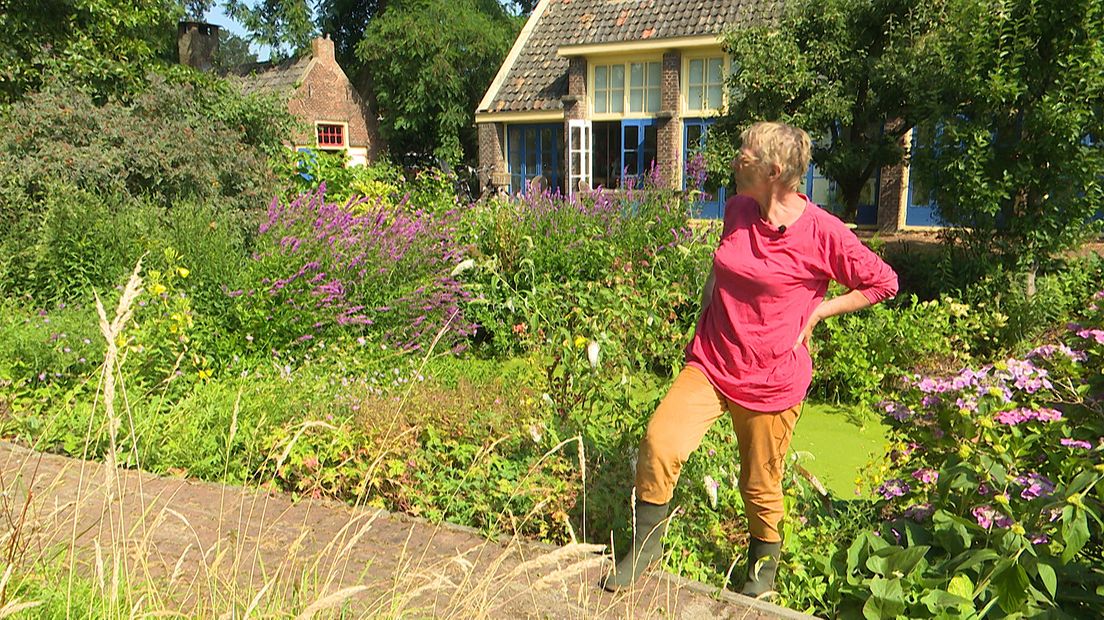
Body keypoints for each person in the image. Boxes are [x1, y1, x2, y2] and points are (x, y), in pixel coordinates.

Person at [600, 121, 899, 598]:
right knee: (660, 440)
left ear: (774, 171)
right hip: (713, 361)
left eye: (746, 152)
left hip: (773, 379)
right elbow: (725, 267)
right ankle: (646, 546)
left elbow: (884, 282)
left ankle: (762, 569)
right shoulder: (738, 208)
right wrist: (706, 309)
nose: (736, 157)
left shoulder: (823, 233)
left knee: (759, 482)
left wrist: (821, 309)